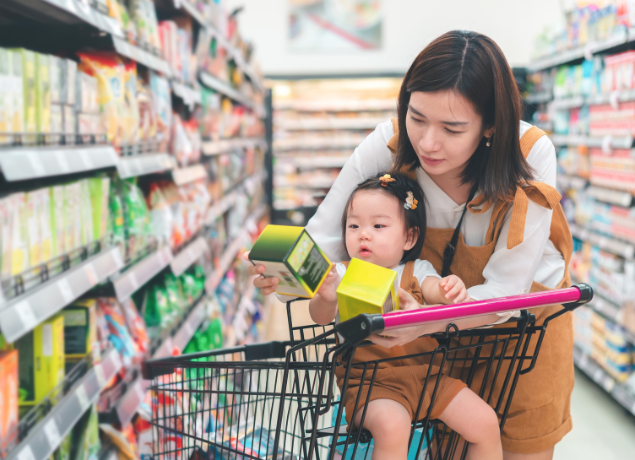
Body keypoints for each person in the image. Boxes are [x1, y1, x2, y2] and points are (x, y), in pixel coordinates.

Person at [247, 30, 573, 460]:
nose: (427, 142)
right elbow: (322, 239)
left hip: (519, 331)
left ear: (491, 124)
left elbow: (507, 291)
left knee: (512, 443)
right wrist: (285, 272)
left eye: (452, 128)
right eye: (416, 118)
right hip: (421, 347)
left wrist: (428, 318)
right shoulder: (387, 145)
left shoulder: (530, 156)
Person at [309, 172, 502, 460]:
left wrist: (452, 288)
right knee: (393, 426)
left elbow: (437, 291)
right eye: (353, 225)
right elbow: (320, 317)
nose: (364, 233)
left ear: (409, 237)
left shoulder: (418, 270)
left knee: (486, 422)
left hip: (429, 377)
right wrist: (326, 297)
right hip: (370, 384)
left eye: (378, 225)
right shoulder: (343, 273)